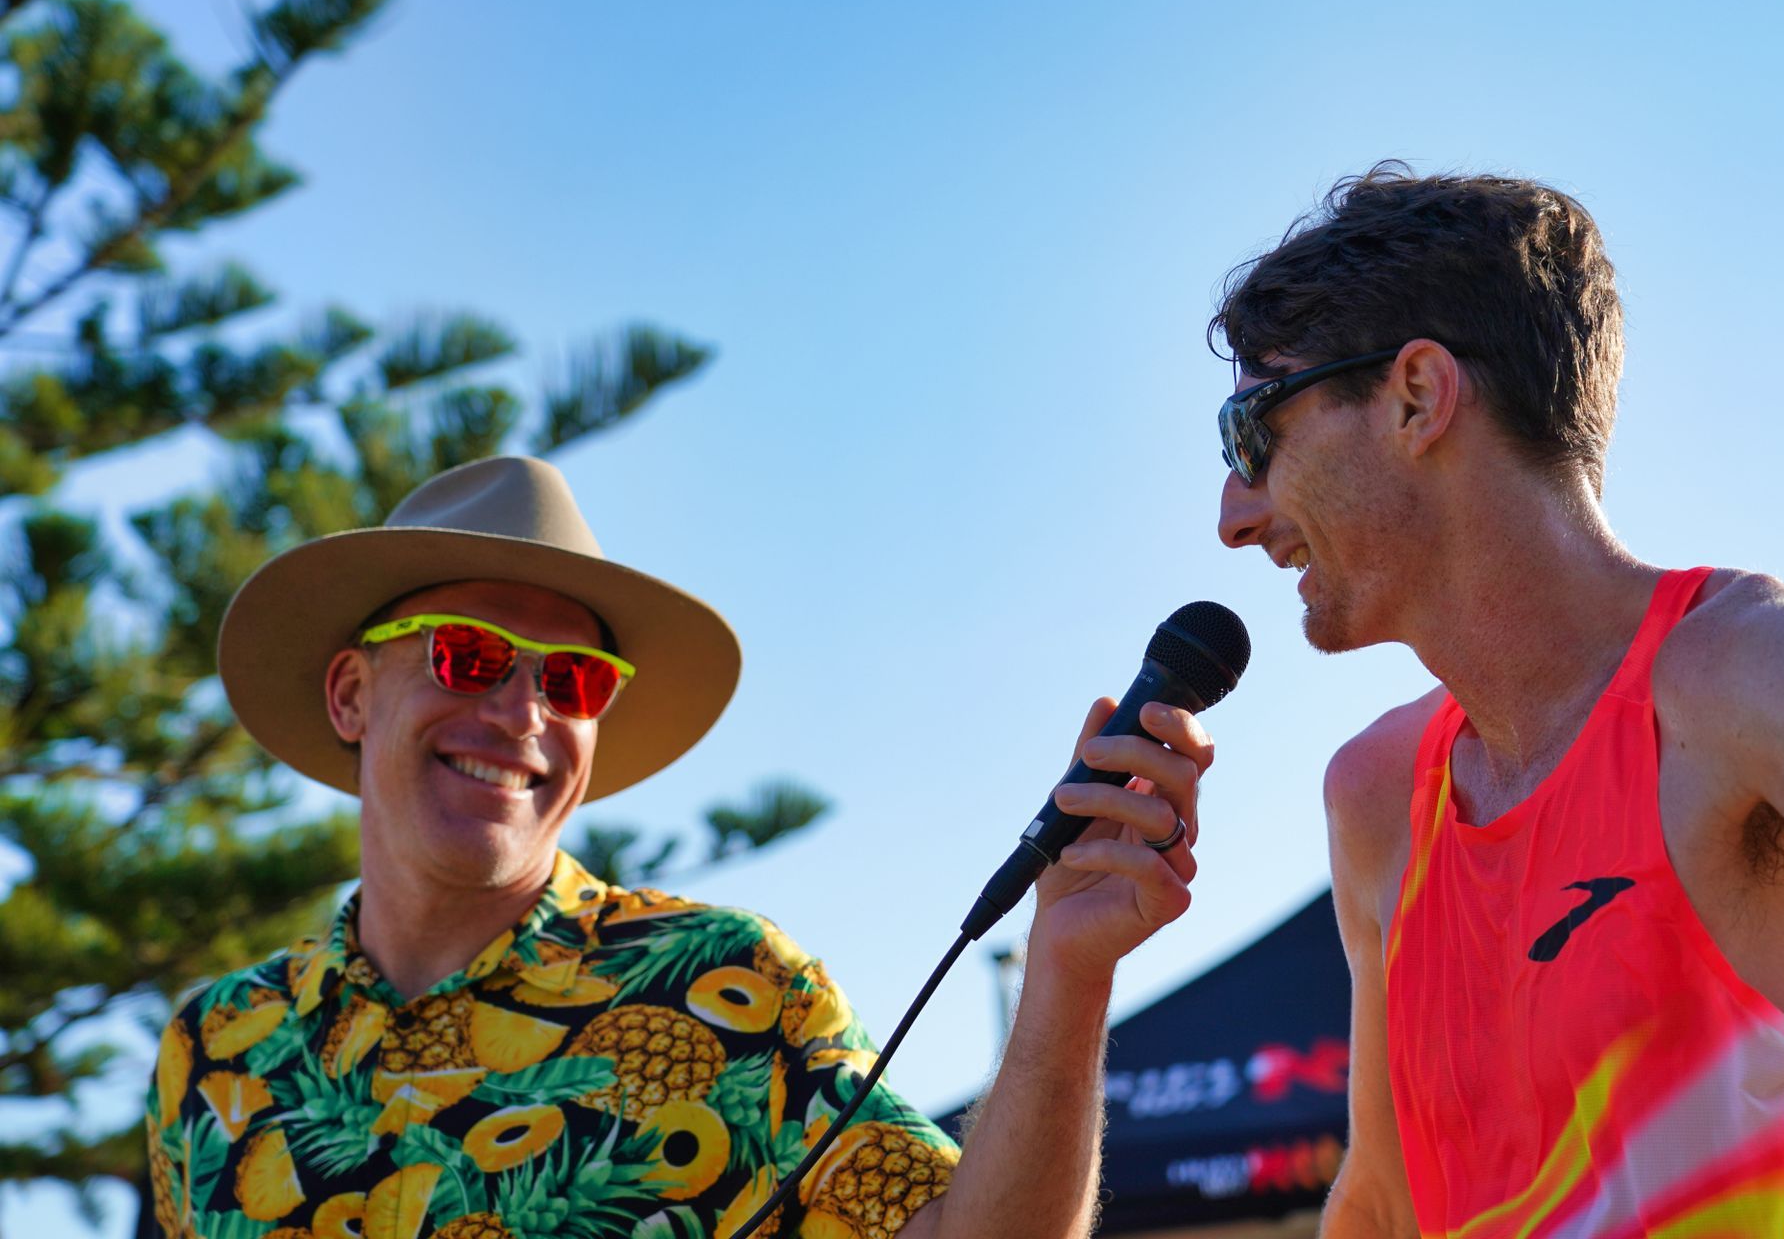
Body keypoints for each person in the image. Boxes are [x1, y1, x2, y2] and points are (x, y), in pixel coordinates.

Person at [146, 454, 1211, 1239]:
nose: (523, 713)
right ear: (350, 691)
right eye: (472, 657)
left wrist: (1067, 968)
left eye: (571, 680)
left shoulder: (727, 986)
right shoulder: (213, 1048)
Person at [1211, 165, 1784, 1236]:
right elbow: (1382, 1207)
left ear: (1417, 395)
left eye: (1252, 431)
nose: (1233, 510)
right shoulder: (1380, 796)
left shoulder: (1738, 679)